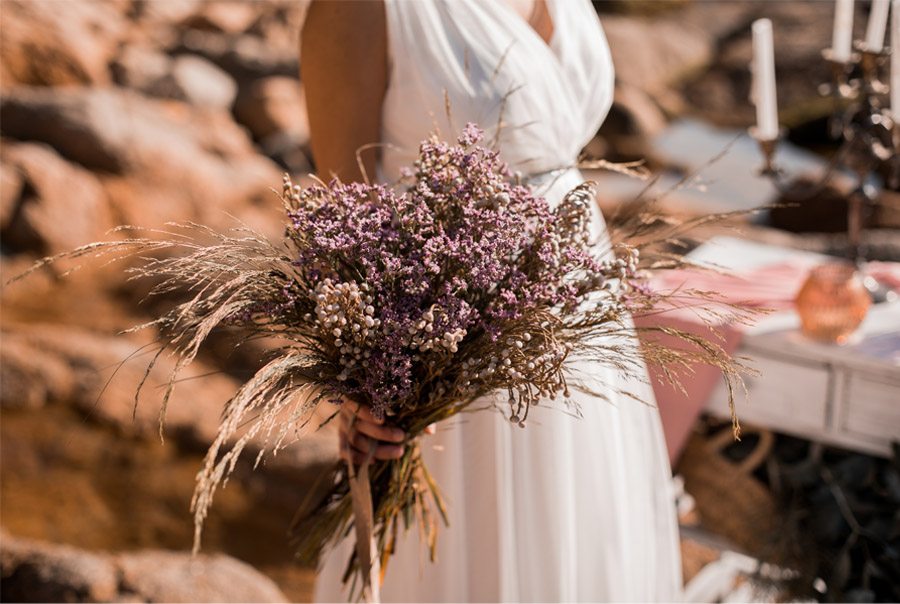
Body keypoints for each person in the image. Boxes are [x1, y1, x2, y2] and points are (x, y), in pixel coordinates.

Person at [301, 0, 682, 601]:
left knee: (581, 541)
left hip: (576, 316)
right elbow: (340, 220)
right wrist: (361, 381)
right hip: (452, 329)